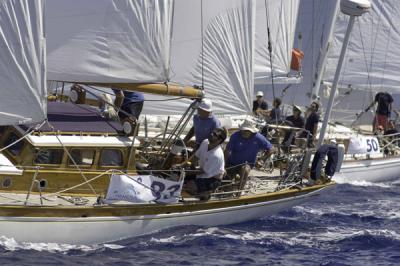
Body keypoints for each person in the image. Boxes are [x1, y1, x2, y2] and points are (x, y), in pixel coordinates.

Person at [225, 119, 273, 190]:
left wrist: (262, 160)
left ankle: (240, 190)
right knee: (225, 184)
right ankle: (234, 179)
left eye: (248, 130)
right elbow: (227, 151)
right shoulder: (235, 136)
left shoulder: (258, 138)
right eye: (244, 130)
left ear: (252, 131)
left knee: (245, 170)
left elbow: (271, 149)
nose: (245, 132)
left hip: (246, 164)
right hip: (231, 163)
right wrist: (223, 165)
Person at [193, 127, 228, 199]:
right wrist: (183, 165)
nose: (211, 134)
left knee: (190, 187)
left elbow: (203, 172)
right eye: (212, 132)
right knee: (185, 181)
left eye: (215, 134)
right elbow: (196, 156)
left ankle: (207, 194)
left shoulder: (216, 155)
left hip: (212, 179)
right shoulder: (205, 142)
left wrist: (186, 172)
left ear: (219, 140)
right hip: (202, 172)